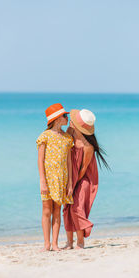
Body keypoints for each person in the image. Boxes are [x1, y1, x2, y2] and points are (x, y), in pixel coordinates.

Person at [63, 109, 109, 249]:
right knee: (67, 208)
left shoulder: (87, 146)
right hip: (72, 177)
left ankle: (80, 242)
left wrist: (74, 184)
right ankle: (69, 243)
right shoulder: (70, 133)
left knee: (77, 207)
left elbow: (83, 169)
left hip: (84, 179)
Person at [36, 103, 74, 251]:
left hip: (62, 179)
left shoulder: (67, 138)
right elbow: (40, 160)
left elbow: (69, 162)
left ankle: (55, 244)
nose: (67, 118)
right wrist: (42, 181)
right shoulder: (44, 136)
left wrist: (70, 182)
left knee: (57, 210)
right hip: (48, 178)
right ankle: (46, 244)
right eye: (65, 116)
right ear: (58, 119)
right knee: (46, 210)